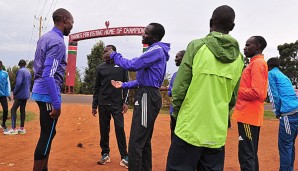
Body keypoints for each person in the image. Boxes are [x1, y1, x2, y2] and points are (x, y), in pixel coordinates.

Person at [166, 5, 244, 171]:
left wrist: (178, 114)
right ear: (232, 27)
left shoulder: (196, 46)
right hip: (216, 132)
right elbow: (233, 98)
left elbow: (179, 88)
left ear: (210, 22)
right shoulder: (239, 58)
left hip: (189, 128)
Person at [108, 23, 170, 171]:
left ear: (154, 37)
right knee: (144, 141)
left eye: (146, 33)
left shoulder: (155, 50)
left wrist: (114, 55)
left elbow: (131, 64)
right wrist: (123, 85)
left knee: (136, 142)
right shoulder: (156, 50)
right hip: (148, 95)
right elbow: (143, 81)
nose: (142, 34)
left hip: (147, 98)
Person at [31, 8, 74, 171]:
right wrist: (56, 103)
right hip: (48, 93)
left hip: (39, 90)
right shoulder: (57, 42)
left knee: (49, 133)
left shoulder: (45, 37)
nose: (72, 26)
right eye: (71, 22)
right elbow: (49, 74)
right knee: (46, 136)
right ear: (64, 20)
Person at [232, 36, 268, 171]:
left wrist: (236, 91)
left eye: (248, 45)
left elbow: (257, 92)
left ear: (257, 46)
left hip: (248, 115)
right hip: (248, 115)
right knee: (250, 152)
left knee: (246, 154)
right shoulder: (255, 63)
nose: (245, 47)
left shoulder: (257, 64)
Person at [92, 45, 129, 168]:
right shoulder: (100, 67)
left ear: (113, 52)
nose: (104, 54)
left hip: (117, 104)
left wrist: (125, 102)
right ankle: (105, 154)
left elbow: (126, 86)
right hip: (103, 103)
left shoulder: (122, 66)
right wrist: (94, 105)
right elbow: (97, 87)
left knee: (120, 129)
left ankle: (124, 156)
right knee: (104, 130)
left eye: (106, 51)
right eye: (103, 52)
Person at [267, 57, 298, 171]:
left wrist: (277, 112)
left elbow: (273, 95)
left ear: (268, 66)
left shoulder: (271, 74)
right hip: (296, 111)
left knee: (285, 146)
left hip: (288, 114)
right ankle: (290, 169)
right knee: (290, 144)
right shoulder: (284, 76)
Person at [160, 50, 185, 139]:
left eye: (177, 57)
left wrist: (169, 89)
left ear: (184, 59)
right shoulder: (175, 75)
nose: (175, 59)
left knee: (176, 135)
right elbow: (171, 92)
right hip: (175, 110)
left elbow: (171, 92)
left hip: (181, 111)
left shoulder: (176, 75)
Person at [4, 59, 31, 135]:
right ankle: (22, 128)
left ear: (19, 65)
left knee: (13, 109)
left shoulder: (20, 71)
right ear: (25, 64)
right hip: (26, 94)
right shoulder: (28, 71)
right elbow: (29, 83)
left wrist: (14, 92)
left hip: (20, 94)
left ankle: (13, 128)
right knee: (22, 110)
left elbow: (18, 83)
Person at [0, 61, 11, 132]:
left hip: (3, 95)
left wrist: (8, 94)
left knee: (6, 110)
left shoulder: (5, 73)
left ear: (1, 65)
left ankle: (3, 124)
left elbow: (8, 84)